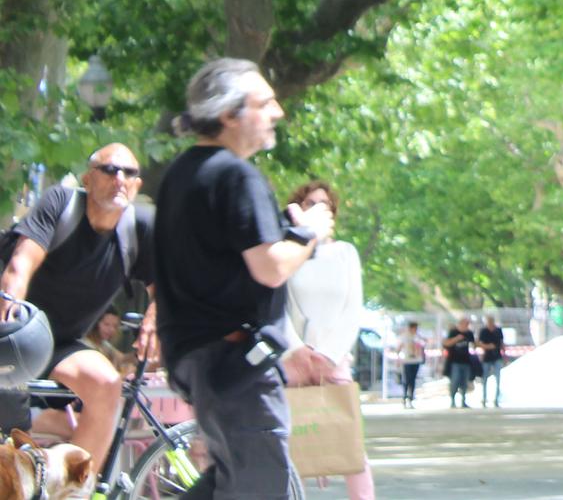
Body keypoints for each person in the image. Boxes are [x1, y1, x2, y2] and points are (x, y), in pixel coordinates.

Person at [154, 58, 332, 499]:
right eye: (266, 102)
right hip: (237, 365)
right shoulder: (235, 175)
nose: (278, 112)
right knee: (258, 486)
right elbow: (269, 267)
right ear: (230, 114)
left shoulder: (179, 175)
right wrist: (308, 232)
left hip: (199, 359)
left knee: (232, 480)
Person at [0, 142, 155, 470]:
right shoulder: (60, 203)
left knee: (107, 384)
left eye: (129, 173)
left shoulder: (138, 230)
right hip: (15, 331)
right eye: (109, 169)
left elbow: (165, 291)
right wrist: (9, 315)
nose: (119, 179)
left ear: (137, 185)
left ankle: (74, 490)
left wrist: (154, 324)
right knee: (13, 435)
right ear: (87, 179)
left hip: (60, 344)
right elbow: (20, 266)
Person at [283, 180, 374, 500]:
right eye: (309, 203)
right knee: (292, 442)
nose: (317, 208)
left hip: (333, 359)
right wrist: (297, 349)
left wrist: (329, 353)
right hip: (293, 359)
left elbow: (353, 308)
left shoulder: (345, 253)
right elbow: (279, 307)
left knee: (350, 442)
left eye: (324, 204)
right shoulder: (289, 252)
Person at [443, 316, 477, 408]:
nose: (466, 325)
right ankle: (453, 400)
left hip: (466, 361)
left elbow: (474, 345)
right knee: (455, 380)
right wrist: (456, 339)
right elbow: (446, 343)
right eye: (465, 324)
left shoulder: (469, 333)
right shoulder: (453, 332)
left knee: (464, 382)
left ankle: (463, 400)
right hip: (455, 361)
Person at [395, 320, 425, 408]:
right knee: (407, 379)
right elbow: (399, 347)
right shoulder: (404, 336)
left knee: (413, 380)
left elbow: (422, 346)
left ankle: (411, 397)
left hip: (416, 360)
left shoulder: (417, 336)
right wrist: (398, 359)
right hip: (407, 360)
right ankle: (405, 397)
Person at [478, 315, 506, 407]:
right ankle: (484, 397)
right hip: (487, 357)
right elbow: (479, 343)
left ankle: (496, 398)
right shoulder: (483, 331)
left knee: (498, 378)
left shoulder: (498, 330)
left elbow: (502, 343)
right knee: (485, 378)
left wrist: (504, 356)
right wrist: (488, 347)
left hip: (497, 356)